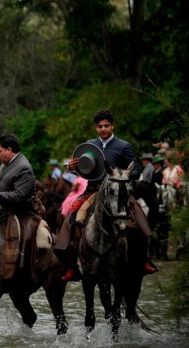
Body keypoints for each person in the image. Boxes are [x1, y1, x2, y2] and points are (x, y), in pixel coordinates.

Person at [56, 109, 156, 281]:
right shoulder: (89, 144)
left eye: (106, 126)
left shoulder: (123, 146)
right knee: (72, 216)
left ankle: (145, 260)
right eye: (100, 126)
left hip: (118, 191)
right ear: (96, 128)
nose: (103, 129)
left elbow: (137, 169)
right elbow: (83, 172)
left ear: (112, 126)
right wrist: (71, 168)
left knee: (138, 214)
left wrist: (121, 176)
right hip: (93, 190)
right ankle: (71, 265)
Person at [0, 134, 41, 282]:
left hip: (24, 212)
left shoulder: (23, 167)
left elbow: (19, 196)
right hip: (7, 210)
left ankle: (24, 273)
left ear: (9, 150)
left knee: (26, 238)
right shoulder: (5, 164)